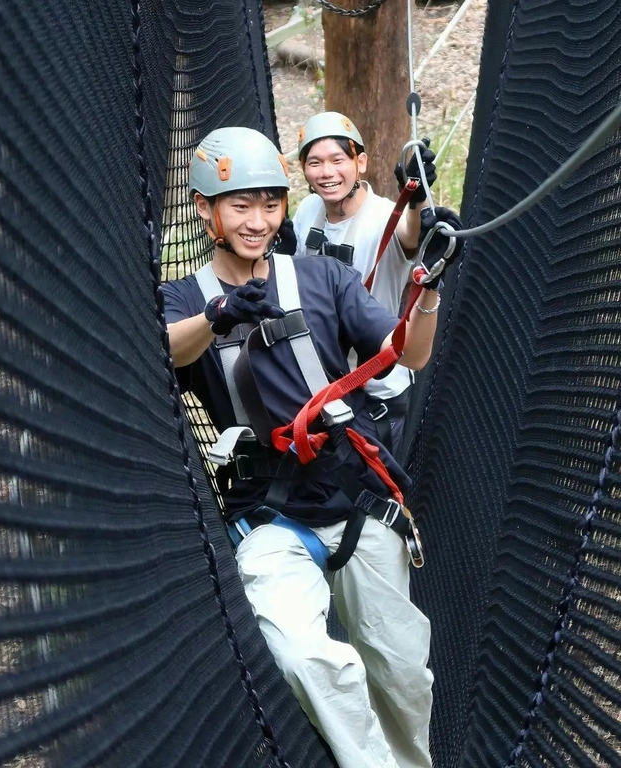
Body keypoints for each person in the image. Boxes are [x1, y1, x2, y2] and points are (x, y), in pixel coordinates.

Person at [159, 126, 463, 768]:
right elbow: (160, 352)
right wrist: (217, 317)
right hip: (267, 512)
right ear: (205, 210)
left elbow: (409, 351)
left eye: (270, 203)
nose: (258, 220)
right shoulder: (184, 300)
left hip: (355, 494)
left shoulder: (321, 278)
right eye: (240, 205)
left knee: (403, 676)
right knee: (306, 655)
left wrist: (427, 287)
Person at [292, 111, 437, 459]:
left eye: (337, 160)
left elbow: (410, 236)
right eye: (315, 163)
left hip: (377, 391)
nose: (326, 173)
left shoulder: (384, 216)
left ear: (361, 162)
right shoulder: (308, 210)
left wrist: (415, 200)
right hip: (321, 387)